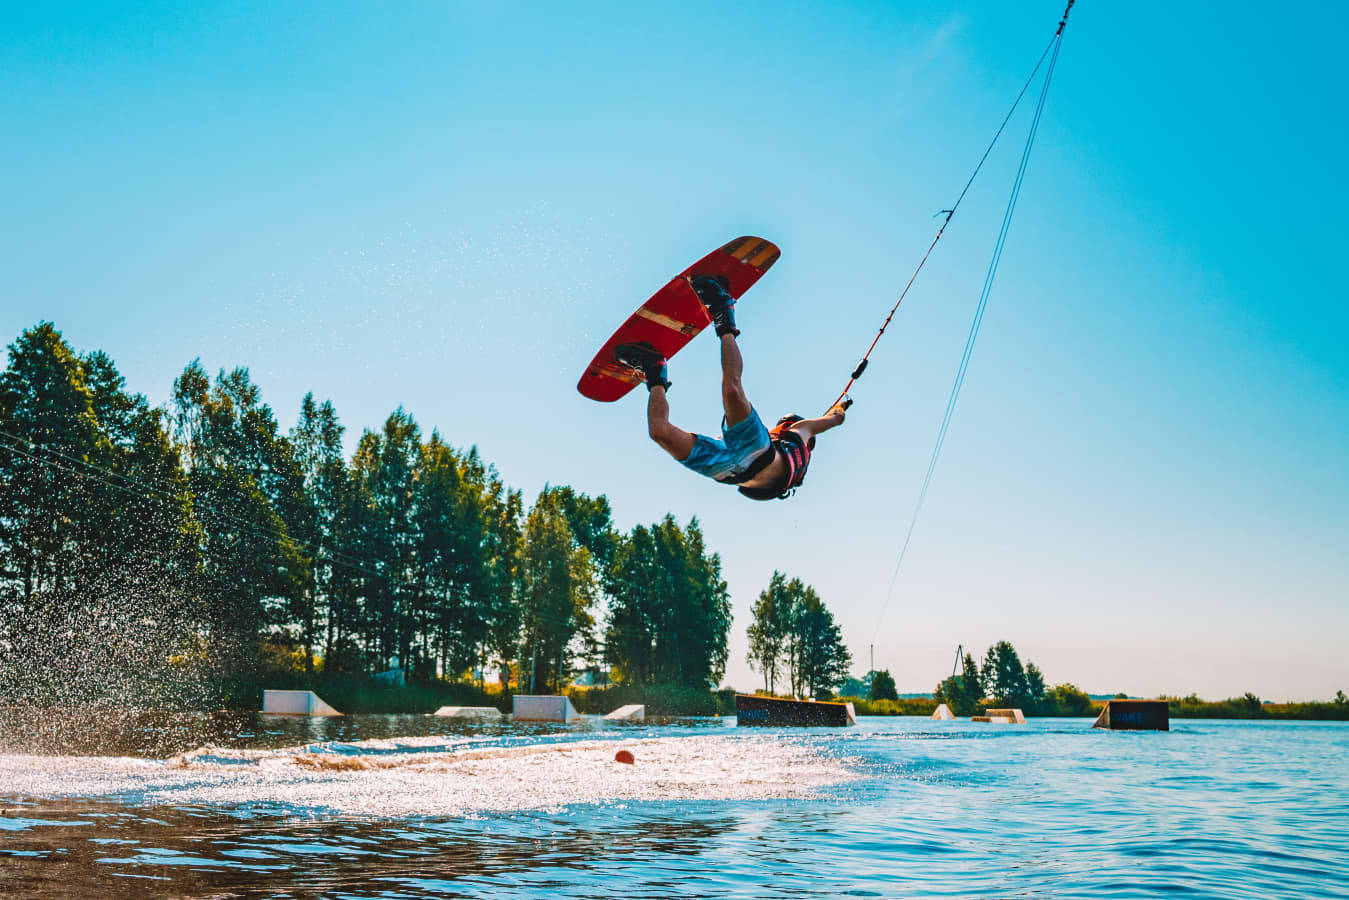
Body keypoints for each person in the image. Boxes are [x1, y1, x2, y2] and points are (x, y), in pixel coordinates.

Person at [614, 275, 849, 500]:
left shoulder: (802, 434)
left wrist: (840, 409)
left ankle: (655, 373)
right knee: (732, 392)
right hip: (753, 451)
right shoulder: (789, 436)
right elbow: (829, 420)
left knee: (658, 432)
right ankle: (723, 313)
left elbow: (832, 420)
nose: (782, 425)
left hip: (725, 469)